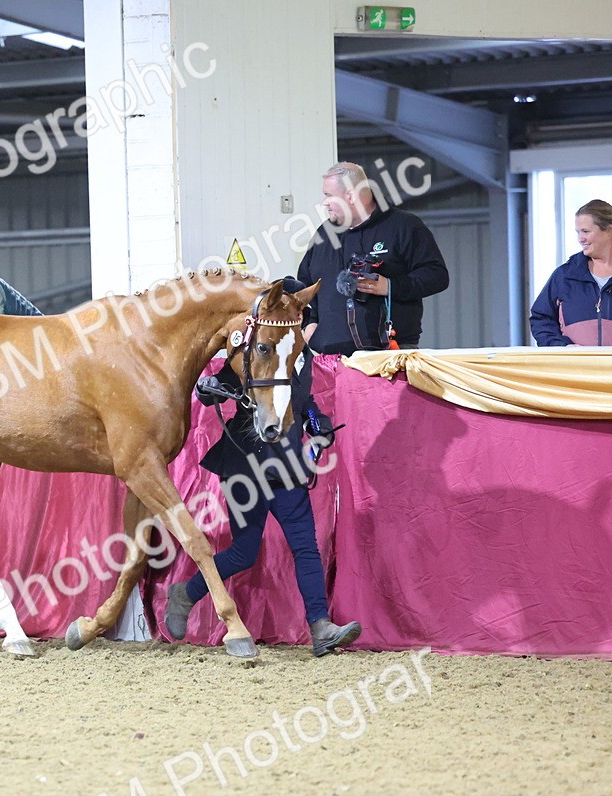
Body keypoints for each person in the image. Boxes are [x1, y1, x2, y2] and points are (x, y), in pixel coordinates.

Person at [165, 282, 362, 657]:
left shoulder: (300, 358)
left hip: (286, 465)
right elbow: (222, 380)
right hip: (245, 466)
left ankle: (321, 627)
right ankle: (185, 594)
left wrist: (317, 422)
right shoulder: (254, 348)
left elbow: (304, 400)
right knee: (244, 553)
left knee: (306, 547)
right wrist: (209, 388)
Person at [297, 162, 449, 354]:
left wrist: (391, 286)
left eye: (328, 196)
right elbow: (304, 286)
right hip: (329, 362)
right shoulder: (324, 235)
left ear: (350, 195)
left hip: (389, 358)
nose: (324, 203)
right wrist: (309, 323)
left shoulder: (404, 226)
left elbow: (437, 276)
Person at [530, 199, 612, 346]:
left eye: (586, 231)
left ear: (609, 230)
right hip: (575, 368)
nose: (580, 239)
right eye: (578, 232)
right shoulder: (564, 276)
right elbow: (541, 319)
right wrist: (561, 347)